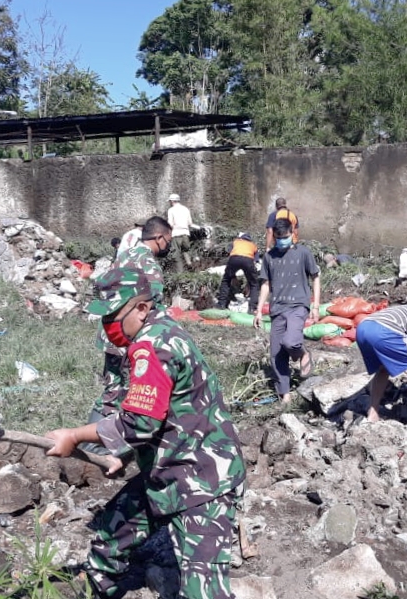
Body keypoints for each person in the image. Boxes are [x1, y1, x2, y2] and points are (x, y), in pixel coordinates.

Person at [45, 267, 245, 599]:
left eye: (113, 315)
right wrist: (120, 452)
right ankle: (91, 588)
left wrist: (75, 435)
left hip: (203, 480)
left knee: (203, 591)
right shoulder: (157, 334)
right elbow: (152, 411)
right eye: (103, 316)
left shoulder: (153, 346)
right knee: (112, 532)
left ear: (141, 309)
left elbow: (139, 423)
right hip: (168, 469)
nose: (107, 324)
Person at [82, 216, 173, 463]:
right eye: (169, 241)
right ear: (160, 238)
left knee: (111, 388)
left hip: (111, 331)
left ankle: (90, 445)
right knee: (133, 391)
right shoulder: (150, 265)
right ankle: (110, 449)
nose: (168, 246)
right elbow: (151, 307)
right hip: (129, 336)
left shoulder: (124, 255)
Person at [254, 218, 320, 404]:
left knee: (291, 342)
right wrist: (259, 310)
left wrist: (315, 306)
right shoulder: (269, 257)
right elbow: (266, 285)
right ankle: (285, 395)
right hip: (277, 308)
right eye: (278, 237)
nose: (282, 240)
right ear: (273, 236)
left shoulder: (303, 253)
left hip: (298, 305)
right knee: (276, 354)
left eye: (285, 237)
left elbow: (315, 278)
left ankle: (304, 354)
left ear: (293, 234)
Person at [216, 232, 259, 314]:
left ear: (240, 238)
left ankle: (221, 304)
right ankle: (252, 308)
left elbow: (228, 251)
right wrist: (250, 280)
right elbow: (256, 260)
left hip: (234, 258)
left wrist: (232, 275)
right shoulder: (253, 245)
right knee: (254, 284)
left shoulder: (235, 241)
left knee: (226, 280)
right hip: (248, 260)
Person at [166, 193, 194, 272]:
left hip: (176, 234)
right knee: (186, 250)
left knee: (176, 254)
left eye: (170, 201)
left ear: (172, 201)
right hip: (185, 233)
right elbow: (190, 223)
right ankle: (189, 263)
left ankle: (180, 273)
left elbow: (170, 224)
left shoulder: (171, 210)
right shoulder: (185, 209)